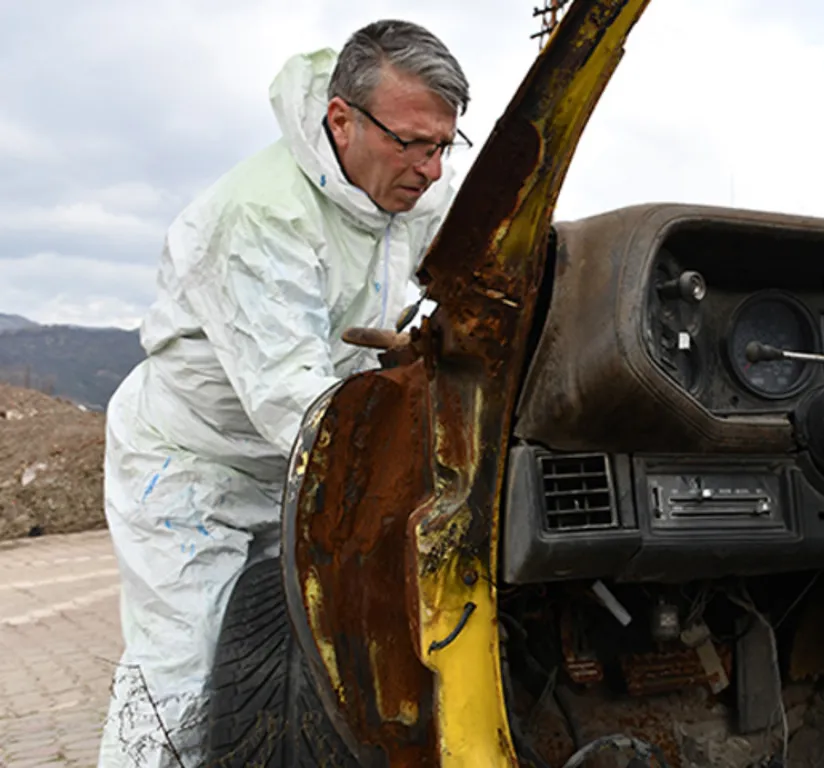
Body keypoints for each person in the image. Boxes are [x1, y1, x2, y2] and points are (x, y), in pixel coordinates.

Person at [96, 19, 470, 768]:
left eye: (442, 146)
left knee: (304, 670)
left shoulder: (411, 189)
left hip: (294, 469)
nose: (430, 169)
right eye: (412, 144)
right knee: (186, 672)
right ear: (342, 120)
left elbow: (478, 274)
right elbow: (292, 403)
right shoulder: (262, 214)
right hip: (192, 469)